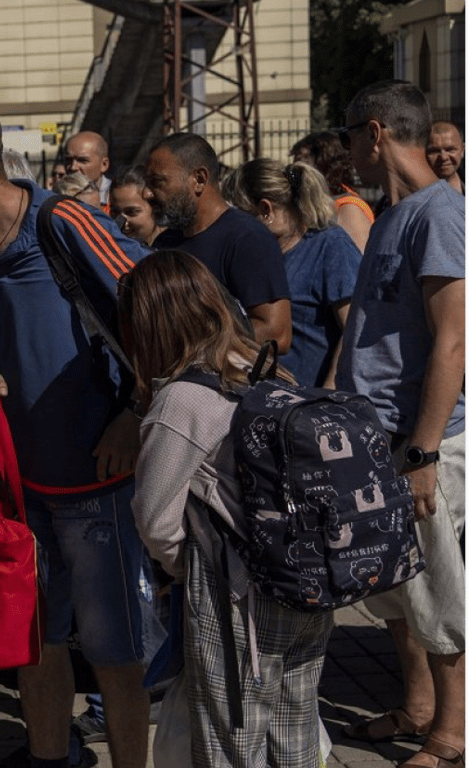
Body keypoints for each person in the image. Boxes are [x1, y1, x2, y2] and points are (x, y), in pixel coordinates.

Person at [0, 95, 151, 768]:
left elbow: (169, 309)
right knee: (35, 646)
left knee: (116, 660)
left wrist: (136, 411)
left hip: (98, 484)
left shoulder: (64, 220)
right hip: (20, 490)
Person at [122, 249, 335, 767]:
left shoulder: (179, 403)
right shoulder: (264, 372)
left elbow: (154, 521)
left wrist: (189, 571)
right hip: (308, 582)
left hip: (236, 598)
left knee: (232, 743)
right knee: (295, 734)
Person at [335, 80, 466, 768]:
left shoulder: (439, 214)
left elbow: (452, 339)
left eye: (351, 136)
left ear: (376, 132)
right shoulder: (392, 214)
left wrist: (422, 452)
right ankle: (418, 706)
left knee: (437, 587)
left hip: (425, 439)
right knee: (397, 591)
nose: (348, 152)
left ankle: (450, 733)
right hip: (380, 433)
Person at [145, 132, 294, 354]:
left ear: (199, 179)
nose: (147, 193)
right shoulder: (165, 242)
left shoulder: (247, 239)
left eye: (158, 182)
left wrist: (190, 343)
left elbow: (276, 334)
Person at [221, 159, 362, 388]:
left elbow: (355, 328)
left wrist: (329, 394)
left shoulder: (330, 246)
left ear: (265, 210)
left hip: (308, 405)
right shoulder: (254, 255)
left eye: (240, 215)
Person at [290, 130, 374, 252]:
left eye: (303, 159)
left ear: (325, 163)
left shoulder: (348, 208)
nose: (294, 168)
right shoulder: (314, 202)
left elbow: (359, 261)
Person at [109, 165, 163, 246]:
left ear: (156, 208)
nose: (122, 222)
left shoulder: (175, 251)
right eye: (115, 213)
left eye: (131, 212)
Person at [64, 131, 112, 207]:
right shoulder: (55, 198)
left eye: (82, 160)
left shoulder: (116, 197)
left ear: (104, 165)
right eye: (68, 160)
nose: (73, 167)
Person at [426, 121, 465, 194]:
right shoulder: (413, 194)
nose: (443, 157)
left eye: (450, 149)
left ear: (462, 150)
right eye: (434, 151)